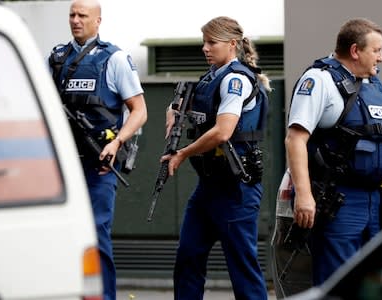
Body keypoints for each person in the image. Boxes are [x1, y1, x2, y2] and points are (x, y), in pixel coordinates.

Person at [285, 18, 382, 286]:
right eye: (376, 51)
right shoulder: (320, 80)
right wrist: (304, 196)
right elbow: (295, 139)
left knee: (370, 283)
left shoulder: (375, 86)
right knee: (338, 283)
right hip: (339, 200)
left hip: (375, 200)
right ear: (355, 51)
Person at [162, 16, 271, 300]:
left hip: (237, 189)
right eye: (204, 42)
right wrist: (173, 111)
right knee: (188, 257)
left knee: (243, 270)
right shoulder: (211, 76)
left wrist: (183, 153)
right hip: (209, 187)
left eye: (212, 42)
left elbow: (223, 132)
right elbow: (197, 112)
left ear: (232, 44)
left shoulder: (235, 79)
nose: (205, 48)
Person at [47, 1, 147, 299]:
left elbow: (139, 111)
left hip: (98, 166)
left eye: (82, 16)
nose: (75, 21)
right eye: (72, 15)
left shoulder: (114, 59)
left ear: (98, 21)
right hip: (63, 167)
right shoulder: (55, 59)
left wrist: (117, 142)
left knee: (96, 235)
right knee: (60, 238)